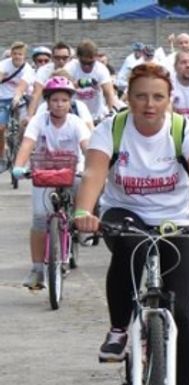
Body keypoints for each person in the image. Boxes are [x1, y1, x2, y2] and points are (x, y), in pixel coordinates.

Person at [72, 62, 189, 385]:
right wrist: (84, 212)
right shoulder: (111, 129)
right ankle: (118, 328)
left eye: (158, 97)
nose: (149, 104)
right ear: (128, 97)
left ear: (169, 100)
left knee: (180, 314)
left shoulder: (183, 130)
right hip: (123, 214)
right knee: (128, 245)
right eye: (141, 96)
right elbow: (94, 174)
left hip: (176, 221)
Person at [10, 77, 89, 290]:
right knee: (38, 218)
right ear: (47, 101)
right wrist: (18, 166)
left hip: (73, 171)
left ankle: (80, 224)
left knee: (83, 190)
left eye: (64, 100)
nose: (60, 104)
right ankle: (37, 268)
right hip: (44, 173)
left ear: (70, 102)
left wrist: (92, 167)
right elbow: (27, 144)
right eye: (55, 100)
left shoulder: (76, 123)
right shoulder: (39, 120)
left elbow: (87, 147)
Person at [63, 40, 123, 123]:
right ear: (78, 57)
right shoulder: (70, 68)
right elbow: (62, 89)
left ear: (95, 57)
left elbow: (109, 94)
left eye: (90, 63)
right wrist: (80, 83)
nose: (87, 66)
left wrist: (112, 114)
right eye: (83, 63)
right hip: (75, 117)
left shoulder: (101, 69)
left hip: (96, 116)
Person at [0, 41, 35, 170]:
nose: (17, 56)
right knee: (1, 128)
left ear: (24, 56)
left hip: (20, 98)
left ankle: (20, 149)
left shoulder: (28, 70)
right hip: (2, 98)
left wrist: (16, 97)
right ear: (11, 54)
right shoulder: (3, 65)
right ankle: (2, 156)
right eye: (14, 53)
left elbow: (21, 87)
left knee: (25, 125)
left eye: (20, 54)